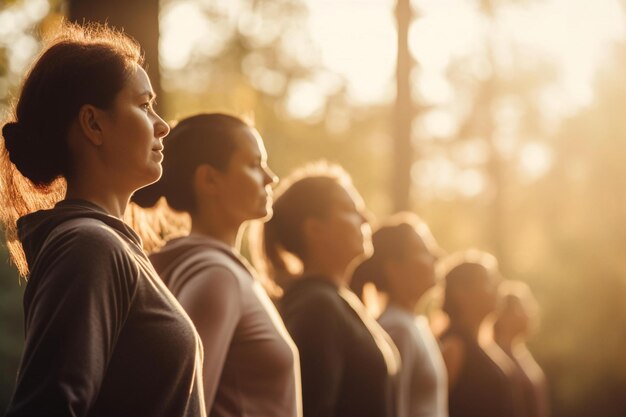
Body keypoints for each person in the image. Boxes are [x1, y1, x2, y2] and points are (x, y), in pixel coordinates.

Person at [0, 23, 205, 416]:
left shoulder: (109, 246)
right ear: (93, 124)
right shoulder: (89, 246)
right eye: (144, 106)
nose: (163, 125)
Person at [131, 113, 301, 417]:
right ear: (209, 179)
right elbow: (186, 407)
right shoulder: (217, 277)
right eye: (253, 165)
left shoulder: (219, 271)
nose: (270, 178)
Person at [255, 163, 399, 417]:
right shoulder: (316, 306)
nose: (366, 219)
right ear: (315, 230)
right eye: (351, 210)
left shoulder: (335, 299)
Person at [351, 212, 448, 417]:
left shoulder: (415, 325)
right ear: (394, 269)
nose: (437, 256)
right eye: (423, 251)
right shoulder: (397, 329)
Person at [439, 251, 524, 417]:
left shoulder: (487, 345)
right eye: (487, 281)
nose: (497, 287)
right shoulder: (453, 347)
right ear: (460, 294)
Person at [492, 280, 550, 417]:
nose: (532, 313)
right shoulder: (496, 358)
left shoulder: (522, 354)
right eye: (524, 307)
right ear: (505, 315)